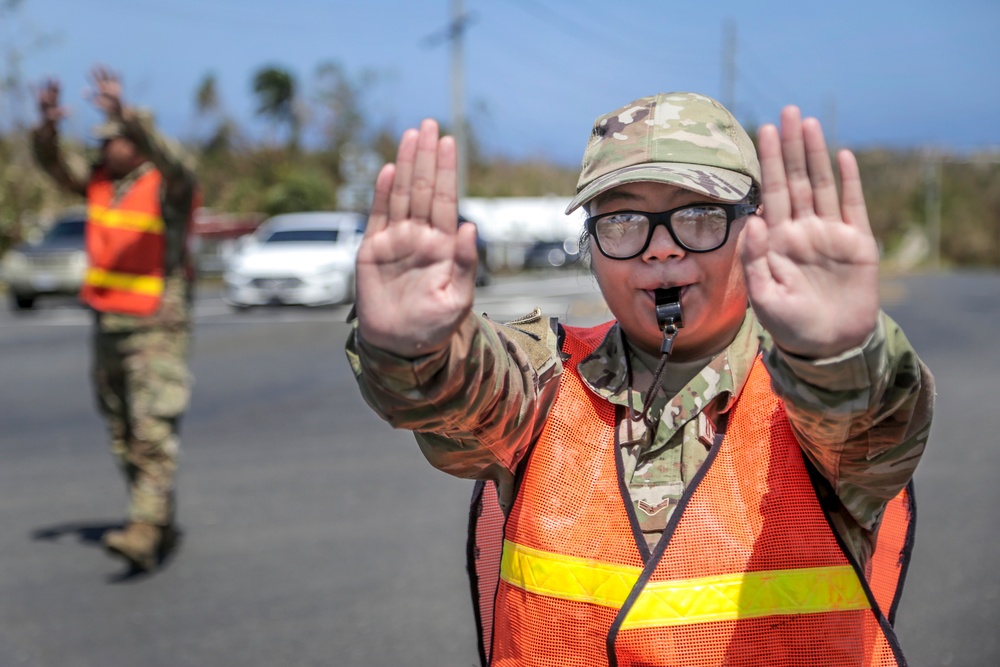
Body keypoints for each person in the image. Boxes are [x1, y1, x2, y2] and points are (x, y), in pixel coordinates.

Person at [346, 93, 933, 665]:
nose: (658, 250)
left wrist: (837, 352)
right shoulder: (546, 377)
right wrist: (413, 347)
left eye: (700, 216)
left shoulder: (812, 395)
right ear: (591, 246)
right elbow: (457, 396)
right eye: (623, 221)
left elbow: (871, 423)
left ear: (755, 231)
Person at [32, 65, 198, 572]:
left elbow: (180, 165)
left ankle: (145, 526)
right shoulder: (103, 183)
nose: (103, 149)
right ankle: (157, 520)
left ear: (137, 142)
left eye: (114, 140)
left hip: (156, 326)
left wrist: (130, 114)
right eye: (101, 142)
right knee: (122, 431)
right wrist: (46, 127)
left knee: (151, 430)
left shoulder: (167, 186)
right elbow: (52, 164)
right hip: (108, 322)